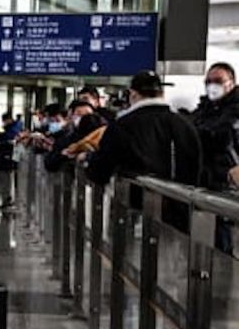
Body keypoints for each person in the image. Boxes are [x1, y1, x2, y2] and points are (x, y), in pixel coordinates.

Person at [86, 71, 201, 228]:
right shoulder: (184, 124)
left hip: (133, 212)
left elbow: (98, 171)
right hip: (180, 216)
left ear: (133, 94)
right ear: (161, 93)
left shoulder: (123, 125)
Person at [190, 62, 239, 251]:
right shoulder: (205, 108)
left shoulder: (234, 111)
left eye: (218, 81)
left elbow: (220, 135)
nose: (212, 86)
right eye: (208, 81)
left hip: (225, 183)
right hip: (204, 181)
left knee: (221, 236)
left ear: (231, 83)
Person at [0, 112, 22, 210]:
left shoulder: (13, 129)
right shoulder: (12, 128)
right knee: (5, 180)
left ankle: (7, 200)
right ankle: (6, 199)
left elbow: (7, 138)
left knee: (5, 180)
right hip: (5, 157)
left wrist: (1, 135)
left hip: (6, 158)